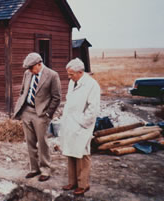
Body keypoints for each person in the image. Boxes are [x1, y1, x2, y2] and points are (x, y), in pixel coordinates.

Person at [13, 52, 61, 182]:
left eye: (31, 68)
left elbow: (56, 98)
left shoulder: (52, 75)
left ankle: (45, 169)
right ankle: (34, 169)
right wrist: (22, 109)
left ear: (39, 64)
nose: (29, 70)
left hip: (41, 114)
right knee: (30, 142)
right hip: (27, 111)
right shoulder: (27, 73)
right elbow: (23, 91)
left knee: (43, 142)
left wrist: (47, 114)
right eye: (27, 68)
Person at [59, 58, 100, 195]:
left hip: (82, 125)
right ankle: (72, 182)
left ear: (80, 72)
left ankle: (83, 184)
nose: (69, 76)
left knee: (82, 154)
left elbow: (93, 109)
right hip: (70, 123)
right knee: (71, 152)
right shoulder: (73, 82)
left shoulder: (91, 85)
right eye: (68, 74)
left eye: (71, 74)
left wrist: (82, 122)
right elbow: (69, 102)